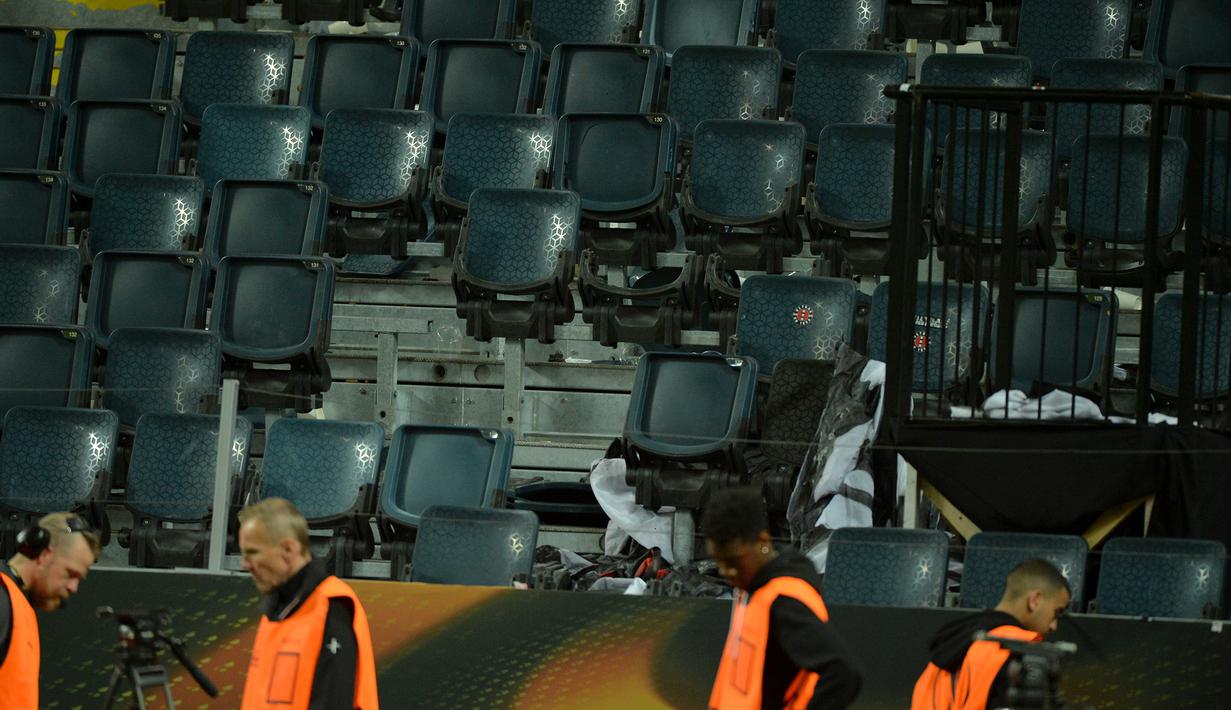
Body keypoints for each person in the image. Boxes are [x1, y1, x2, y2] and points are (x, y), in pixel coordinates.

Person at [703, 487, 863, 710]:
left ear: (763, 541)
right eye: (719, 561)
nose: (727, 571)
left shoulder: (785, 599)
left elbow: (843, 673)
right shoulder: (752, 587)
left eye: (733, 560)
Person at [238, 498, 379, 710]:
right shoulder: (277, 610)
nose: (244, 564)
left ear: (288, 549)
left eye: (253, 553)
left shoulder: (332, 606)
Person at [910, 558, 1072, 710]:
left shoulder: (952, 641)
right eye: (1056, 612)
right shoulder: (1019, 652)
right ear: (1035, 600)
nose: (1054, 625)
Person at [0, 512, 101, 709]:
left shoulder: (16, 601)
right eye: (70, 574)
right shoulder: (3, 599)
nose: (73, 587)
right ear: (45, 555)